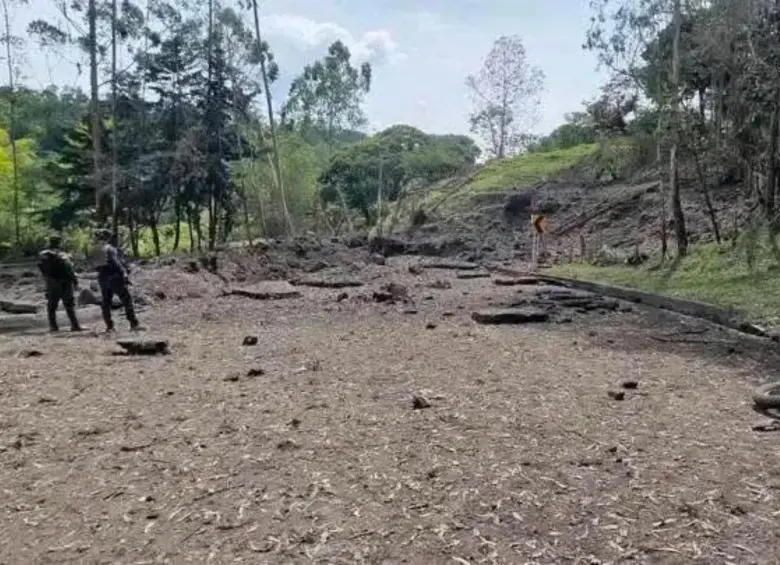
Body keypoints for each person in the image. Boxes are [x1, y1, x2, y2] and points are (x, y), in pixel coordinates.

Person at [89, 229, 142, 332]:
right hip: (114, 277)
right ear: (108, 238)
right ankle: (134, 324)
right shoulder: (110, 249)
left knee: (106, 302)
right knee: (126, 299)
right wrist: (124, 274)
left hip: (102, 278)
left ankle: (109, 326)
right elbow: (116, 263)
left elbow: (93, 266)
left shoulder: (95, 250)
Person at [37, 234, 83, 332]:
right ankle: (74, 325)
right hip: (63, 281)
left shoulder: (45, 254)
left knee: (53, 305)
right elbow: (70, 269)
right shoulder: (60, 255)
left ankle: (54, 326)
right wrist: (75, 281)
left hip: (54, 282)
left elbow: (43, 270)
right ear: (59, 243)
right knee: (67, 304)